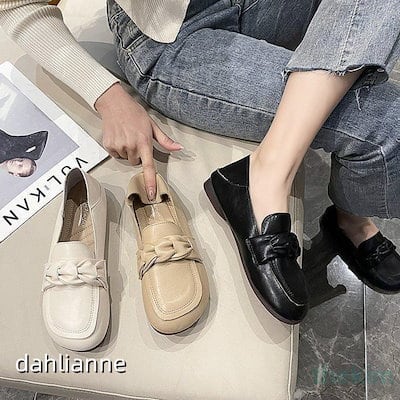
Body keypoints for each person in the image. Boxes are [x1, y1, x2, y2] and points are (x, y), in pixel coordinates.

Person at [0, 0, 398, 322]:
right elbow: (14, 5)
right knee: (388, 126)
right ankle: (300, 192)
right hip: (171, 34)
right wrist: (105, 94)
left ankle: (279, 175)